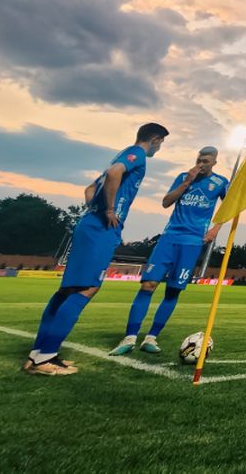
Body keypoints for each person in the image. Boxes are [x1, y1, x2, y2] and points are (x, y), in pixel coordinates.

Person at [24, 123, 169, 375]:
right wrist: (109, 210)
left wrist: (95, 208)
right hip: (101, 228)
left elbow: (90, 189)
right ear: (155, 139)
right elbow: (114, 173)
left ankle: (38, 353)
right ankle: (44, 359)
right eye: (161, 142)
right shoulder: (137, 155)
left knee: (67, 289)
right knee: (87, 288)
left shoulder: (122, 153)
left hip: (90, 224)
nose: (160, 147)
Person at [110, 147, 227, 356]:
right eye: (199, 159)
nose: (201, 164)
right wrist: (186, 182)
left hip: (192, 242)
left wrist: (216, 228)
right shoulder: (183, 176)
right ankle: (129, 337)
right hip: (169, 237)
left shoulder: (220, 183)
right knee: (148, 285)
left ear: (214, 163)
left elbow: (232, 206)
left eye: (206, 161)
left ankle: (151, 337)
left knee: (173, 290)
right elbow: (166, 202)